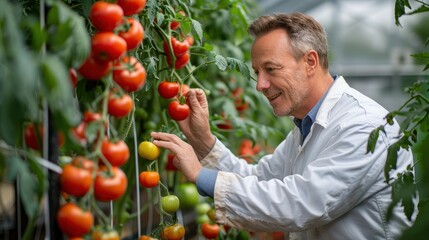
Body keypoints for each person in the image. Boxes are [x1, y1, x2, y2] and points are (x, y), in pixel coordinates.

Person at [152, 12, 415, 239]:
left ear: (310, 62)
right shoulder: (306, 128)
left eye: (271, 69)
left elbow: (300, 203)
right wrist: (203, 141)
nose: (260, 85)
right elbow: (259, 181)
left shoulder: (364, 126)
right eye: (257, 72)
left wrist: (201, 175)